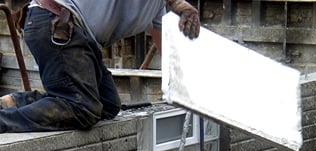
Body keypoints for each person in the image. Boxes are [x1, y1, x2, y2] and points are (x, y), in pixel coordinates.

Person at [0, 0, 200, 133]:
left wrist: (188, 92)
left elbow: (167, 52)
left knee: (108, 104)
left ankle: (16, 102)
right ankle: (4, 121)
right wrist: (178, 3)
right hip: (55, 21)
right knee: (83, 108)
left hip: (80, 38)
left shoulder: (157, 6)